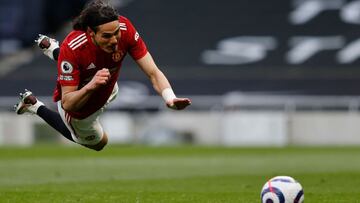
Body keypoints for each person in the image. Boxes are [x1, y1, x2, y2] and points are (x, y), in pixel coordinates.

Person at [14, 0, 191, 151]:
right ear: (91, 32)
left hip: (109, 87)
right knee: (99, 144)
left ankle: (53, 50)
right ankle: (34, 105)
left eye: (116, 33)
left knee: (96, 72)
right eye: (107, 36)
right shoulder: (73, 48)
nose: (114, 40)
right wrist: (91, 85)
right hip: (81, 108)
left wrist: (170, 97)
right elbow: (67, 102)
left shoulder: (125, 28)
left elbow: (153, 72)